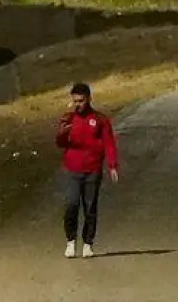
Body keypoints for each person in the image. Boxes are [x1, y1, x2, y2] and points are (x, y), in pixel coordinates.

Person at [56, 82, 120, 258]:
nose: (78, 104)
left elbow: (109, 143)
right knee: (71, 204)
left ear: (89, 99)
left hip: (93, 169)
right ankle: (70, 241)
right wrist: (63, 132)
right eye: (75, 101)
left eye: (81, 100)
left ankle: (88, 243)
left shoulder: (100, 120)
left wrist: (112, 165)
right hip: (73, 169)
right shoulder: (67, 118)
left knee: (90, 207)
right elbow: (60, 143)